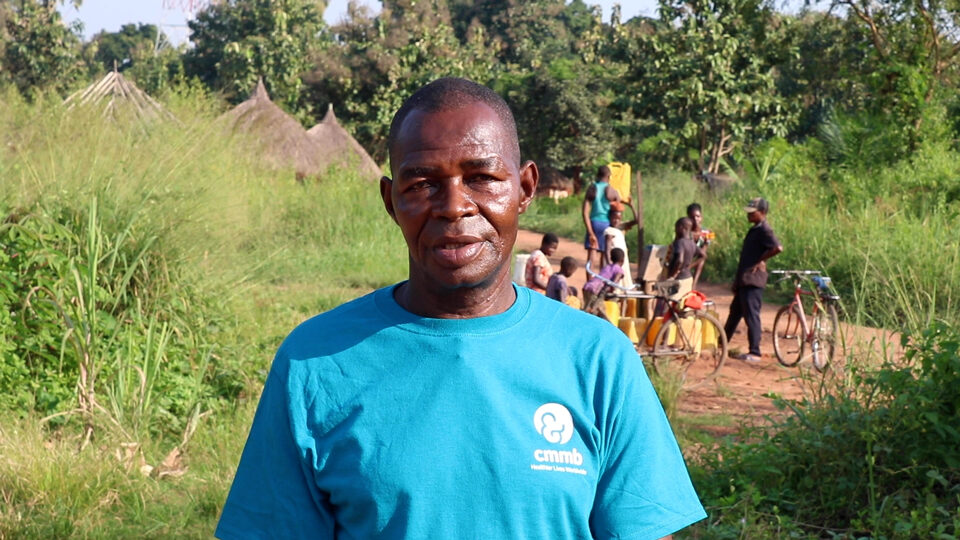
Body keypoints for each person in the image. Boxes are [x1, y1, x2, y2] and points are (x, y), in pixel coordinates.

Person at [216, 77, 705, 539]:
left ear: (525, 188)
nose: (453, 206)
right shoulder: (316, 361)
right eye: (422, 183)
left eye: (482, 177)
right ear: (391, 201)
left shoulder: (599, 360)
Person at [724, 197, 783, 364]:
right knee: (734, 314)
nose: (749, 215)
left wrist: (760, 260)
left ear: (762, 213)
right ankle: (721, 345)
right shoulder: (755, 229)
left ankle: (755, 352)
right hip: (744, 279)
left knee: (751, 316)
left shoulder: (765, 229)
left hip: (753, 280)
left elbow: (777, 248)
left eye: (753, 212)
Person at [582, 165, 620, 276]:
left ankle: (589, 285)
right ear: (609, 176)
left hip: (593, 223)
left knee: (591, 259)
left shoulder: (592, 188)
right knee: (604, 257)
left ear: (598, 175)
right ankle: (601, 285)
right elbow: (618, 209)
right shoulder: (613, 191)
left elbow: (585, 213)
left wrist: (590, 232)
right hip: (607, 225)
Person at [665, 217, 701, 300]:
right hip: (688, 278)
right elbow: (703, 255)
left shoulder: (680, 243)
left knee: (670, 302)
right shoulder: (691, 243)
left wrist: (673, 275)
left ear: (681, 228)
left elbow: (680, 260)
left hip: (678, 280)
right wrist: (690, 266)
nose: (675, 230)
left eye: (676, 228)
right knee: (682, 304)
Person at [603, 201, 638, 288]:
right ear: (609, 217)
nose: (616, 220)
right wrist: (610, 265)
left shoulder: (621, 227)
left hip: (623, 261)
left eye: (618, 218)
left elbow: (637, 220)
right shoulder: (609, 231)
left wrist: (631, 205)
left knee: (624, 283)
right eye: (614, 218)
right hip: (615, 263)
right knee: (616, 284)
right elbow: (607, 249)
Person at [686, 203, 712, 287]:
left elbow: (704, 251)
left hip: (698, 256)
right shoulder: (685, 232)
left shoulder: (708, 232)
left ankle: (694, 284)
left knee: (702, 259)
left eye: (698, 216)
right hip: (685, 255)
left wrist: (690, 266)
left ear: (701, 217)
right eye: (692, 217)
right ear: (688, 218)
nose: (695, 219)